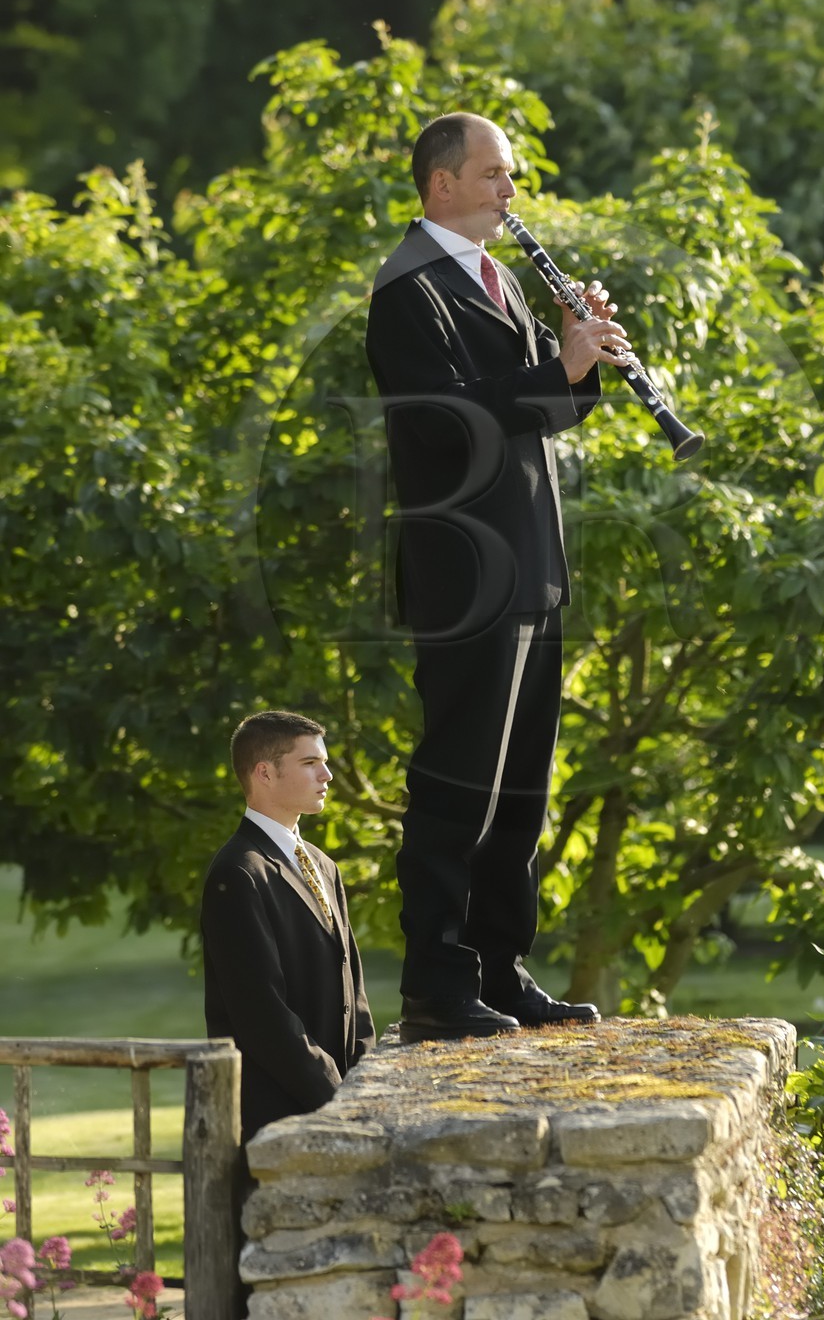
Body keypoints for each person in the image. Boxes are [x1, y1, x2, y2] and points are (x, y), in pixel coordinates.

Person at [365, 111, 627, 1042]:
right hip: (467, 572)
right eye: (493, 176)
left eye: (509, 177)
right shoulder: (407, 289)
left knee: (522, 785)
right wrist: (554, 367)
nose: (511, 193)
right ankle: (437, 984)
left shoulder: (499, 278)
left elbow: (538, 411)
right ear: (441, 184)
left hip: (531, 564)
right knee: (459, 783)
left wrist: (577, 354)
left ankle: (500, 967)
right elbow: (443, 420)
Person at [201, 709, 375, 1141]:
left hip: (347, 1106)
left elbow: (354, 989)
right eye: (310, 763)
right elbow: (262, 1015)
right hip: (280, 1116)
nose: (328, 775)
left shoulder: (323, 865)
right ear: (265, 773)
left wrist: (368, 1086)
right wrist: (335, 1098)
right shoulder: (238, 872)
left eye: (325, 762)